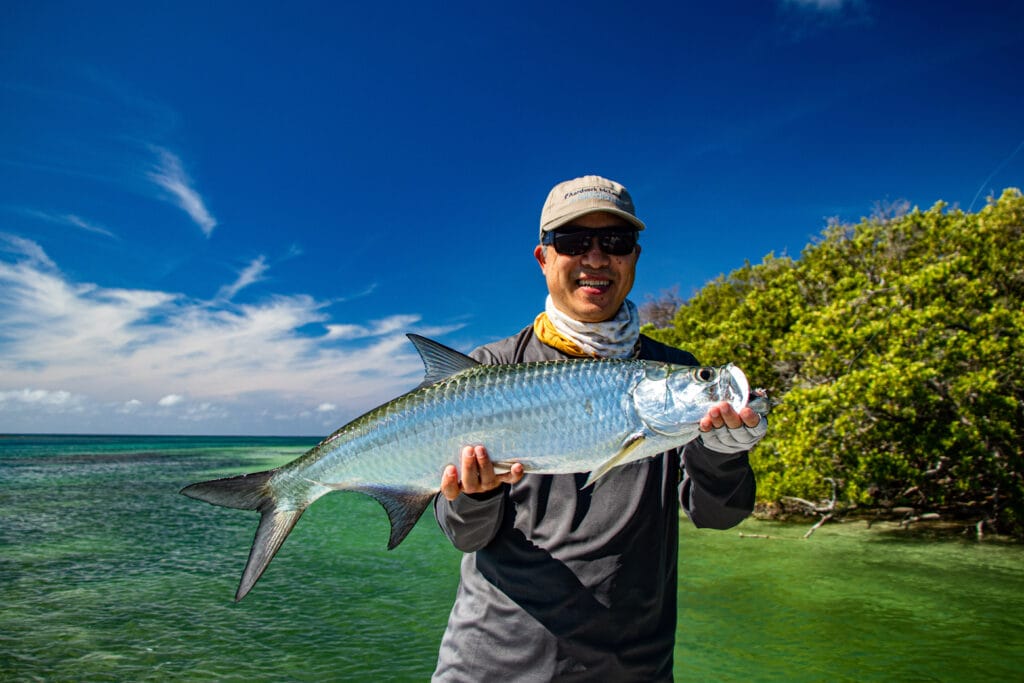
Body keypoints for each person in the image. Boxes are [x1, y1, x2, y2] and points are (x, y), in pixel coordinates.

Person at [432, 175, 765, 682]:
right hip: (492, 666)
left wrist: (723, 453)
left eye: (615, 243)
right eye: (572, 242)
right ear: (544, 258)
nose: (595, 258)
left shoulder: (673, 374)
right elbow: (464, 534)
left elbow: (719, 516)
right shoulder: (487, 368)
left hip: (635, 669)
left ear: (633, 258)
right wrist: (473, 496)